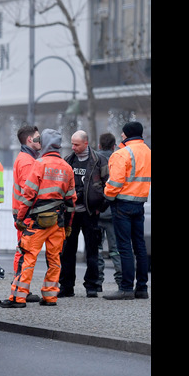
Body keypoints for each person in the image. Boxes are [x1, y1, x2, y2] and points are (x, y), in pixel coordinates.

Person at [0, 128, 77, 308]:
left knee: (28, 257)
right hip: (57, 222)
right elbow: (72, 200)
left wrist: (20, 218)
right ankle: (50, 297)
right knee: (54, 259)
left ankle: (18, 298)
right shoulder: (67, 167)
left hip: (37, 222)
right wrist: (68, 225)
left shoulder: (39, 164)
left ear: (46, 143)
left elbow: (28, 195)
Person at [103, 121, 151, 300]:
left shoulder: (122, 154)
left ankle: (126, 289)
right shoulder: (148, 152)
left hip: (122, 204)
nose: (121, 136)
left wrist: (106, 196)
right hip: (139, 204)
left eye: (123, 133)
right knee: (140, 247)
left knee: (124, 247)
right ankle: (142, 288)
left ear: (128, 134)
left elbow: (114, 183)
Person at [57, 130, 109, 298]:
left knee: (92, 252)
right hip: (71, 213)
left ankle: (92, 286)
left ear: (86, 143)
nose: (73, 147)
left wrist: (100, 207)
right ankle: (66, 286)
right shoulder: (68, 160)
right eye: (72, 144)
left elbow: (108, 184)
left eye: (76, 144)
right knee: (67, 251)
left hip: (90, 213)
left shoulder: (98, 161)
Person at [7, 125, 42, 303]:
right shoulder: (28, 161)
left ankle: (20, 288)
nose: (40, 140)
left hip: (22, 213)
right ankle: (20, 289)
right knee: (24, 252)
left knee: (23, 250)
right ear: (30, 140)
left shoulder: (23, 158)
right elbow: (30, 191)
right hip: (26, 214)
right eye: (37, 138)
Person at [95, 132, 122, 289]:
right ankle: (121, 282)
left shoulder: (94, 159)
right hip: (113, 212)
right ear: (114, 146)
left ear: (99, 145)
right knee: (116, 250)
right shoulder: (119, 159)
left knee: (97, 249)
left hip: (97, 212)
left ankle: (97, 282)